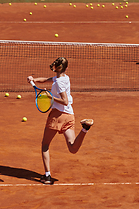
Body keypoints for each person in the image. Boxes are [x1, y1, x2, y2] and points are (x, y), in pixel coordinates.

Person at [27, 57, 94, 185]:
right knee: (72, 148)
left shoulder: (58, 83)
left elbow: (64, 101)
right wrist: (33, 79)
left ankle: (47, 176)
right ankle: (85, 128)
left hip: (58, 116)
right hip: (69, 115)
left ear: (55, 67)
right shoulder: (64, 78)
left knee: (45, 145)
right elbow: (47, 80)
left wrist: (51, 97)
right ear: (65, 68)